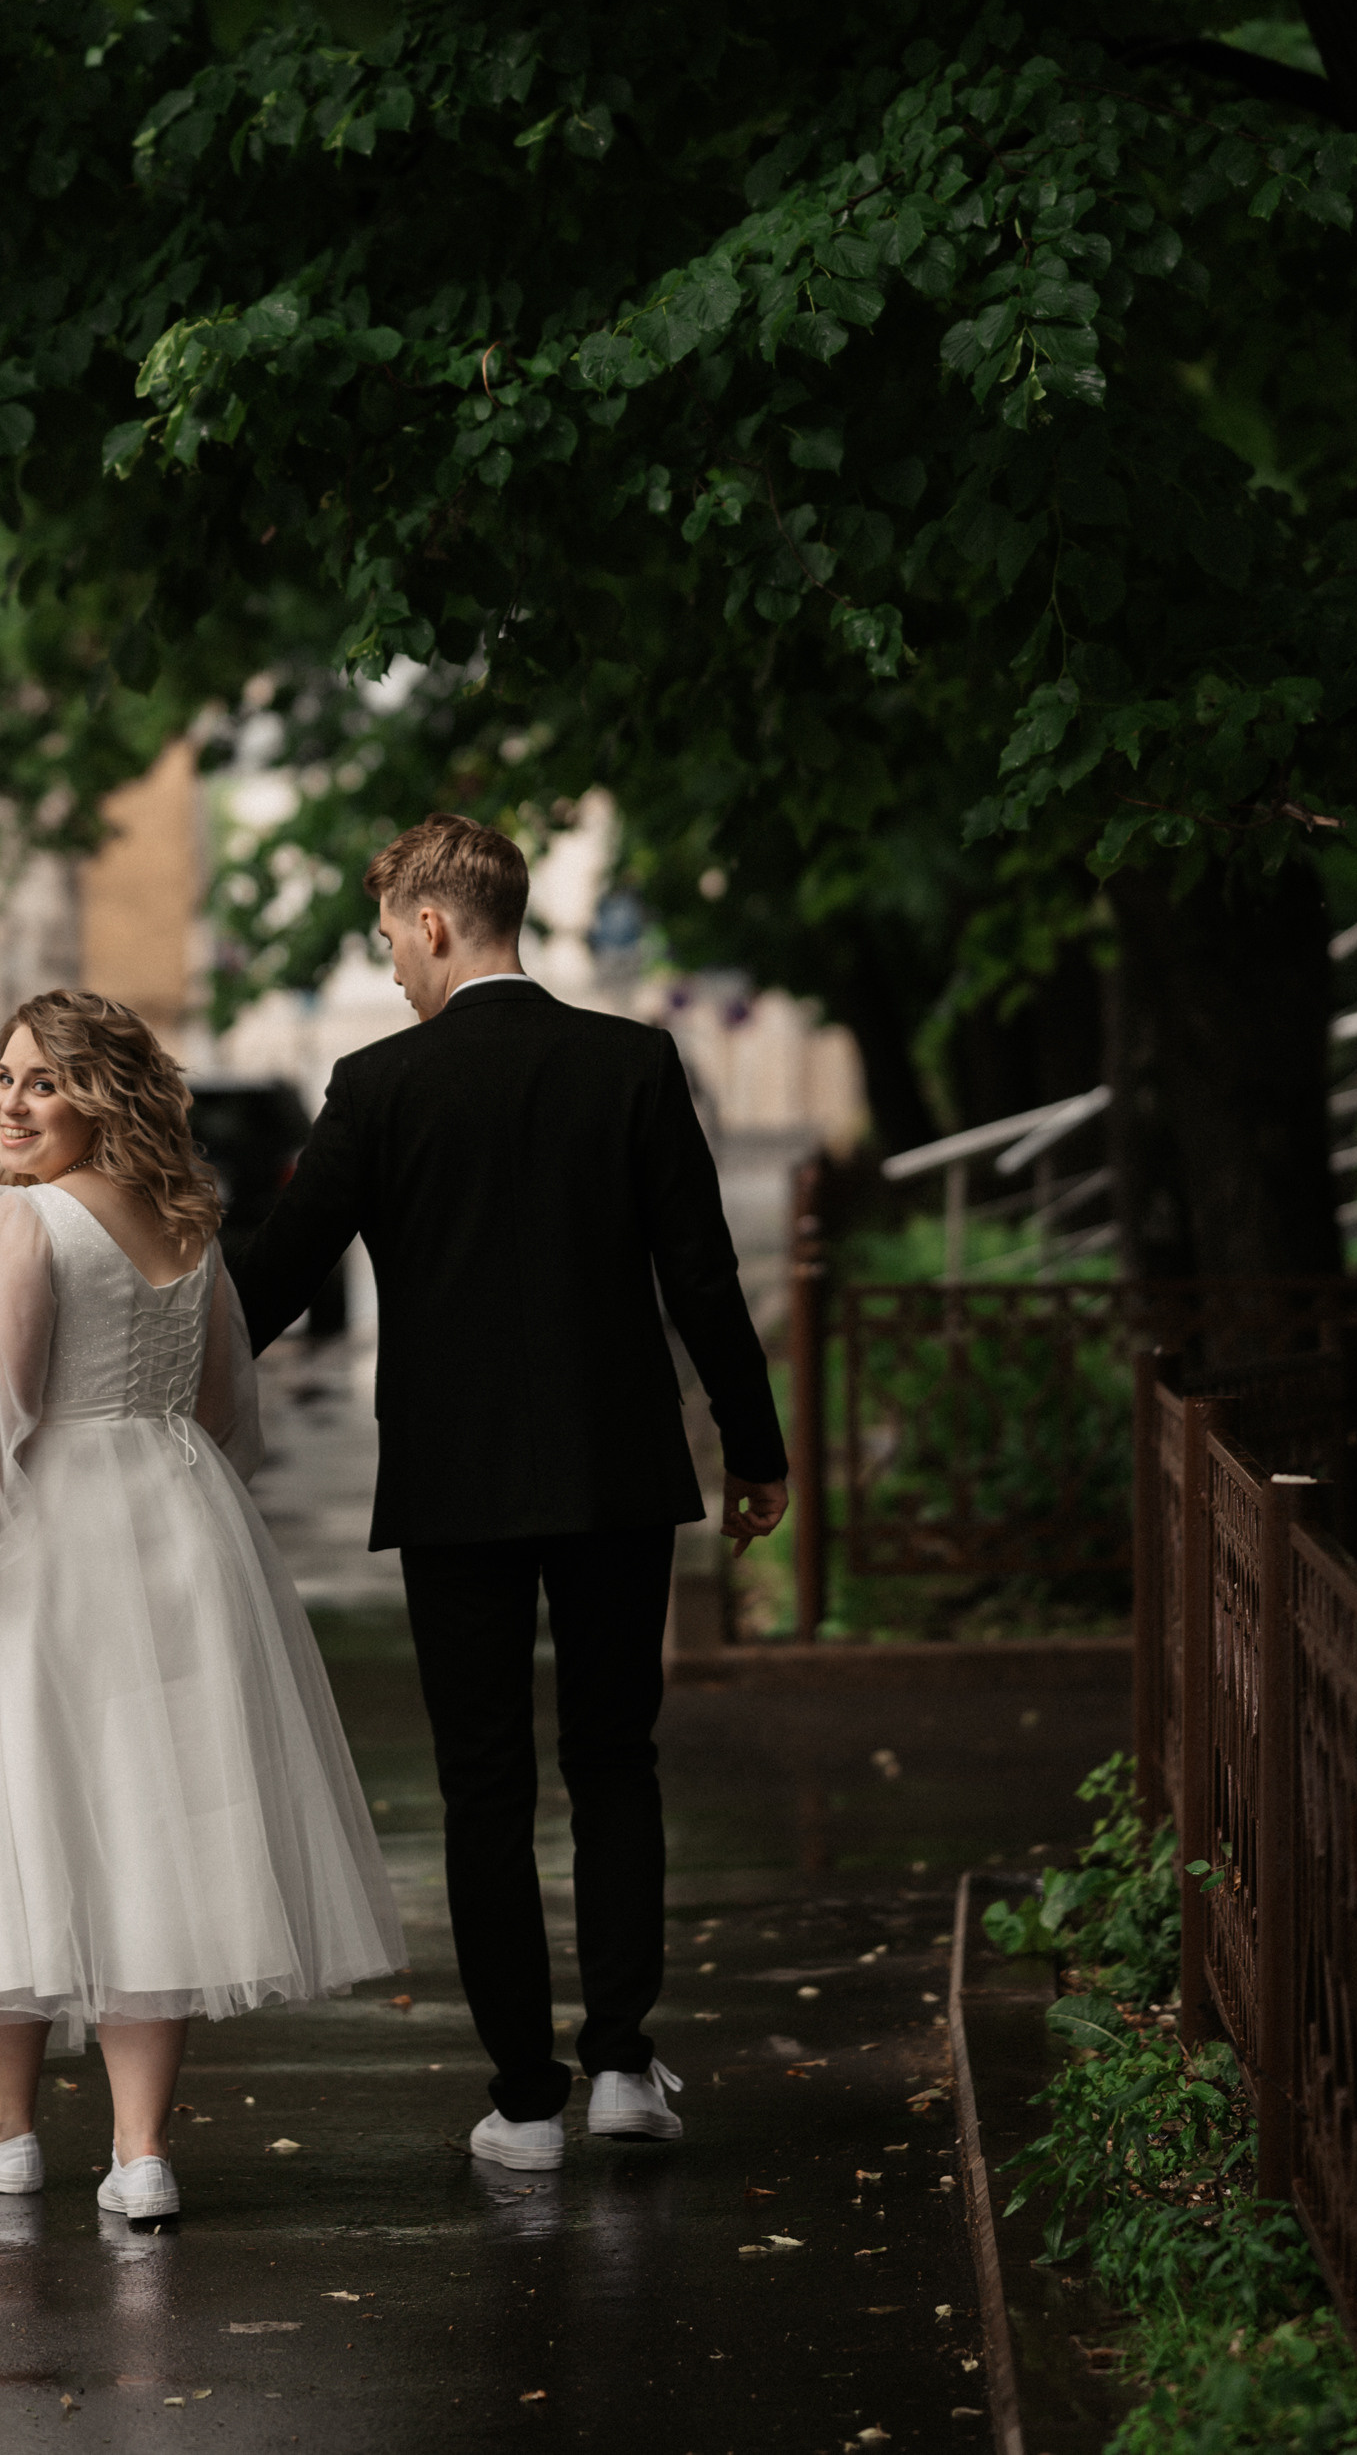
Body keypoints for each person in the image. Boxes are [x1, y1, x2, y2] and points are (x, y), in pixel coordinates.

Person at [233, 812, 790, 2173]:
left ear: (434, 923)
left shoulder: (377, 1087)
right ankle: (618, 2064)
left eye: (390, 944)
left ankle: (523, 2101)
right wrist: (756, 1448)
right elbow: (700, 1274)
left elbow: (278, 1277)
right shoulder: (632, 1065)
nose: (391, 973)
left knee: (482, 1781)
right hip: (614, 1469)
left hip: (454, 1483)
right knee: (615, 1759)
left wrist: (142, 1364)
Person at [0, 992, 404, 2216]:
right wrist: (171, 1482)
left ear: (99, 1095)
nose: (9, 1103)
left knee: (12, 1811)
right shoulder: (183, 1216)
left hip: (45, 1539)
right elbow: (230, 1406)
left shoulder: (22, 1220)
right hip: (178, 1524)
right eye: (3, 1076)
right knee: (151, 1822)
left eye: (41, 1083)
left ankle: (7, 2128)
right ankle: (139, 2156)